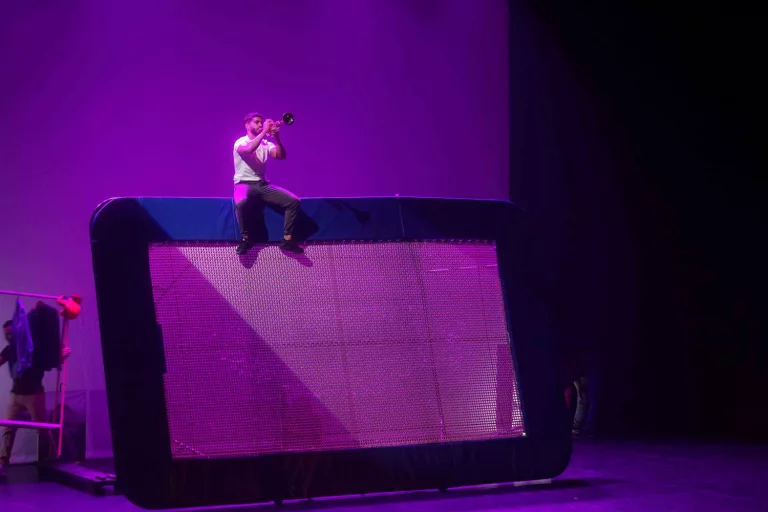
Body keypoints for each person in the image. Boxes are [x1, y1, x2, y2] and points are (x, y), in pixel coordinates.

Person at [0, 319, 70, 479]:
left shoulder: (35, 348)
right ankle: (2, 463)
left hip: (34, 396)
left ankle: (51, 460)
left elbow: (53, 361)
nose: (8, 336)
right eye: (6, 334)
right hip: (15, 396)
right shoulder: (10, 349)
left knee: (42, 429)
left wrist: (62, 355)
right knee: (8, 429)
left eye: (11, 333)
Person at [233, 112, 304, 255]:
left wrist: (276, 136)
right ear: (247, 125)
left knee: (293, 201)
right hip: (244, 184)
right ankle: (246, 239)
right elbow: (249, 149)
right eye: (257, 122)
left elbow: (281, 156)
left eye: (262, 122)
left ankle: (287, 240)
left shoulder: (266, 143)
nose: (260, 125)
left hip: (262, 185)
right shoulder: (240, 142)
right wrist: (265, 131)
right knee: (241, 203)